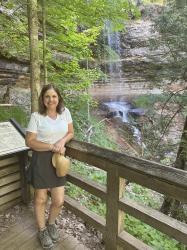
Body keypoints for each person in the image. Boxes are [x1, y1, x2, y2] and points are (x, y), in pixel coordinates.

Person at [25, 84, 74, 249]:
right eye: (47, 96)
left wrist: (61, 141)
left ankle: (51, 223)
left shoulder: (65, 112)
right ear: (42, 99)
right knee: (40, 199)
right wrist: (50, 146)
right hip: (41, 159)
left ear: (58, 98)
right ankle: (42, 229)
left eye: (54, 96)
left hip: (58, 160)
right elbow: (29, 141)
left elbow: (70, 132)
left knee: (59, 200)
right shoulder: (36, 116)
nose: (51, 100)